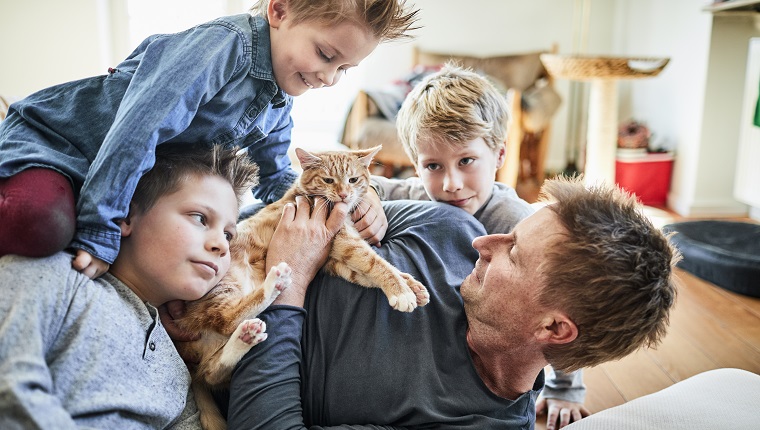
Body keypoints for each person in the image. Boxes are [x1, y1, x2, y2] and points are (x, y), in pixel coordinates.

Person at [220, 176, 679, 429]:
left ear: (553, 329)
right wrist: (369, 202)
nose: (485, 241)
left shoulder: (470, 423)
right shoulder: (449, 229)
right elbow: (303, 209)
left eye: (513, 252)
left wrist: (290, 281)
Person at [0, 0, 415, 279]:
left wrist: (360, 198)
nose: (328, 79)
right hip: (57, 145)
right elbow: (139, 129)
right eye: (325, 56)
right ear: (280, 10)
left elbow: (277, 185)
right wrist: (98, 229)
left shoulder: (279, 103)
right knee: (41, 223)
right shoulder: (223, 46)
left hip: (110, 176)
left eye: (344, 69)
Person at [369, 63, 586, 428]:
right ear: (415, 165)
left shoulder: (518, 223)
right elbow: (372, 185)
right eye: (433, 166)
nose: (451, 183)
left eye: (466, 161)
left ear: (499, 156)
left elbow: (560, 303)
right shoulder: (414, 195)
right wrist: (368, 199)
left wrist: (565, 389)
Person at [0, 143, 262, 428]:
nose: (221, 245)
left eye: (229, 234)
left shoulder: (178, 368)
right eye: (200, 218)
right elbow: (9, 383)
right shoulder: (54, 276)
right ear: (125, 215)